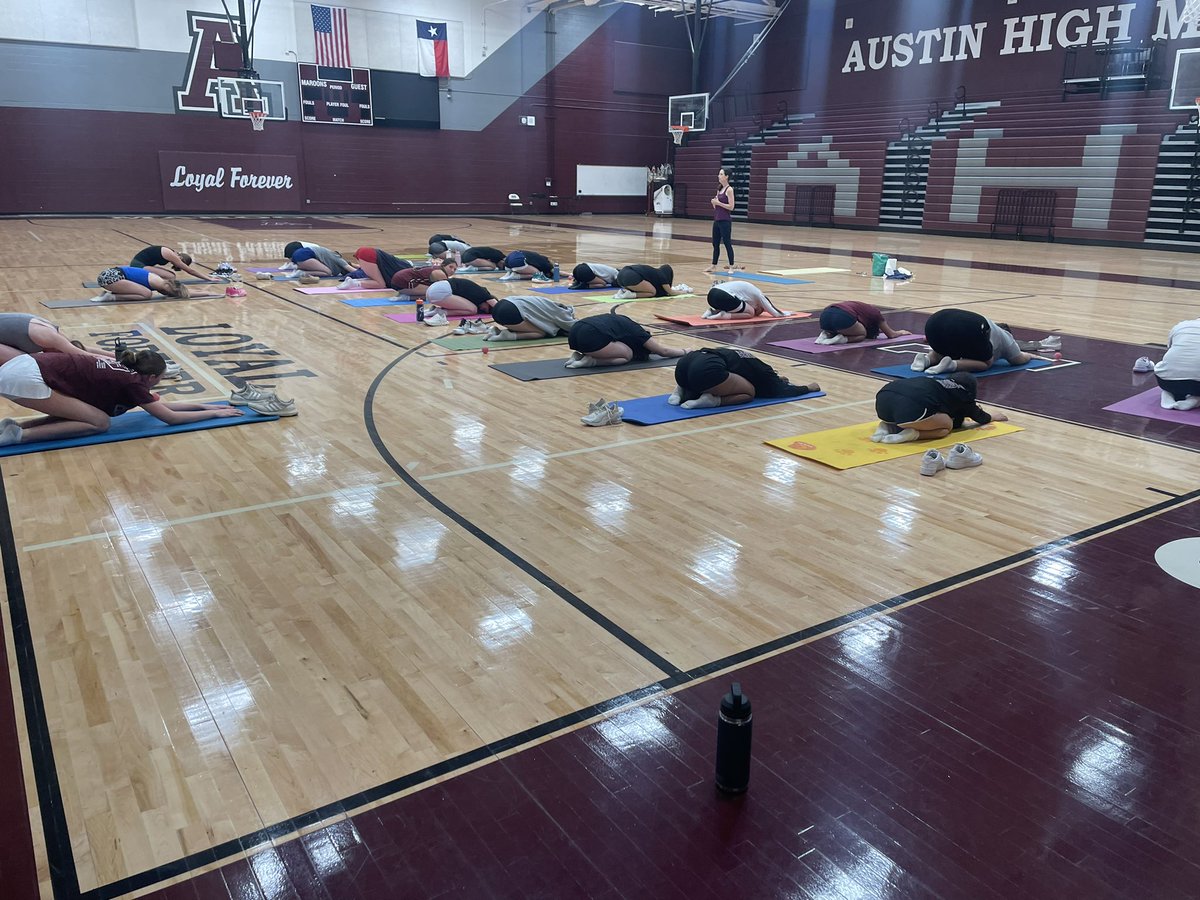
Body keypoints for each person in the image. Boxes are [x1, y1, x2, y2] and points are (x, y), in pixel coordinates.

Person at [0, 347, 245, 446]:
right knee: (99, 422)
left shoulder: (127, 373)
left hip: (28, 365)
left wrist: (207, 406)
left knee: (82, 413)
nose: (161, 382)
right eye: (161, 378)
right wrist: (215, 413)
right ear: (150, 377)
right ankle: (19, 437)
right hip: (26, 376)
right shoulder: (134, 383)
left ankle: (14, 427)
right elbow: (169, 417)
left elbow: (162, 405)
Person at [872, 372, 1008, 444]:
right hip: (913, 407)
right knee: (945, 428)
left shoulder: (938, 382)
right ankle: (910, 435)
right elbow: (980, 417)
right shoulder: (964, 395)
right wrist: (993, 416)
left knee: (912, 412)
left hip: (883, 399)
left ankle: (886, 426)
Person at [670, 347, 820, 409]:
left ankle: (679, 392)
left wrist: (779, 378)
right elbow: (781, 390)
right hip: (705, 370)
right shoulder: (765, 371)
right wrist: (808, 388)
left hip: (685, 364)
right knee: (749, 393)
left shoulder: (753, 363)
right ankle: (711, 401)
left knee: (706, 376)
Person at [912, 308, 1040, 374]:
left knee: (941, 351)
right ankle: (951, 365)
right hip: (971, 328)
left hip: (936, 320)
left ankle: (925, 360)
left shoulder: (991, 325)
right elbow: (1019, 360)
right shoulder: (1006, 338)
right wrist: (1029, 355)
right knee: (986, 363)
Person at [565, 313, 686, 368]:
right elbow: (663, 351)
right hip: (591, 337)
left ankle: (580, 355)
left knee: (607, 342)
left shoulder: (626, 321)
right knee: (626, 355)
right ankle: (590, 361)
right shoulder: (638, 332)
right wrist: (685, 351)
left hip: (576, 330)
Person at [0, 314, 115, 363]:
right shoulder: (51, 338)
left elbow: (85, 349)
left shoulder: (58, 335)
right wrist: (120, 363)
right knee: (23, 362)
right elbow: (84, 355)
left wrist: (118, 356)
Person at [1153, 317, 1200, 410]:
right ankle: (1196, 399)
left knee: (1173, 368)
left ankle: (1169, 392)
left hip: (1166, 382)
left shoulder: (1180, 326)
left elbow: (1171, 351)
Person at [484, 297, 576, 342]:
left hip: (500, 306)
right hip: (510, 311)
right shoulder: (561, 312)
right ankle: (506, 336)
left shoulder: (548, 302)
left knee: (527, 327)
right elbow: (574, 327)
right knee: (540, 333)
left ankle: (496, 331)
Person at [816, 301, 912, 343]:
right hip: (842, 317)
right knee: (862, 334)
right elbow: (891, 334)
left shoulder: (862, 308)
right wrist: (901, 332)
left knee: (839, 326)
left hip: (825, 314)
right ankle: (840, 339)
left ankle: (826, 334)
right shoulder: (876, 313)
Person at [705, 168, 737, 273]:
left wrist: (719, 203)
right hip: (717, 220)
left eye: (721, 174)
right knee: (715, 243)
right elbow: (717, 207)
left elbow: (731, 207)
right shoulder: (719, 189)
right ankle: (714, 265)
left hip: (725, 221)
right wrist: (714, 203)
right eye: (719, 174)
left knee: (727, 243)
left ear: (726, 176)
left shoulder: (729, 190)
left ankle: (731, 266)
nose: (719, 176)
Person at [94, 266, 190, 302]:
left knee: (144, 292)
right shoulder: (161, 284)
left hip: (110, 275)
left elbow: (186, 292)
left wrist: (205, 293)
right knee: (146, 294)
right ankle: (110, 297)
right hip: (112, 277)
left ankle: (110, 295)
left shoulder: (162, 282)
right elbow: (184, 293)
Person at [423, 278, 499, 322]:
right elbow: (498, 307)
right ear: (487, 302)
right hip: (439, 291)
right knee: (472, 310)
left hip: (433, 289)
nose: (482, 309)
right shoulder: (483, 293)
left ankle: (435, 310)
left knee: (469, 307)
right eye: (485, 308)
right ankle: (439, 312)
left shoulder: (476, 294)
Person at [128, 246, 220, 282]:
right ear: (181, 259)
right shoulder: (171, 255)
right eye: (178, 265)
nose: (175, 265)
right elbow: (190, 271)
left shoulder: (172, 253)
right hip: (138, 265)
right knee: (170, 277)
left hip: (142, 265)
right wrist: (209, 278)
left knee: (171, 275)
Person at [703, 282, 789, 319]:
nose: (756, 312)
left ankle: (712, 312)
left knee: (735, 308)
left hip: (711, 296)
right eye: (758, 311)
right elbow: (775, 314)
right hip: (723, 295)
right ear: (760, 307)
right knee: (750, 312)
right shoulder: (759, 295)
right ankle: (724, 316)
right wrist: (786, 314)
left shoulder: (749, 294)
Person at [282, 241, 357, 278]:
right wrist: (366, 275)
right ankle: (302, 273)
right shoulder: (338, 260)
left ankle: (296, 267)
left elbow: (353, 266)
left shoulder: (330, 257)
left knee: (319, 268)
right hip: (302, 255)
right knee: (327, 272)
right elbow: (352, 269)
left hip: (302, 254)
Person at [351, 248, 415, 290]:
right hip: (368, 254)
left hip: (368, 253)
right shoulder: (405, 269)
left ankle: (353, 282)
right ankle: (353, 282)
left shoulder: (403, 266)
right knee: (380, 283)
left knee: (380, 283)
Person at [614, 264, 689, 300]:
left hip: (621, 275)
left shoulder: (654, 272)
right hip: (631, 276)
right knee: (652, 292)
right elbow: (671, 293)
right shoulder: (662, 276)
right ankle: (629, 295)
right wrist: (683, 292)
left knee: (645, 289)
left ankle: (624, 291)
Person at [392, 260, 456, 298]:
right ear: (443, 265)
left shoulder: (437, 269)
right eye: (450, 267)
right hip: (402, 279)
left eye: (455, 269)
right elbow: (446, 290)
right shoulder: (440, 273)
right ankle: (407, 297)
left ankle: (405, 294)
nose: (452, 270)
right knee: (435, 294)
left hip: (399, 278)